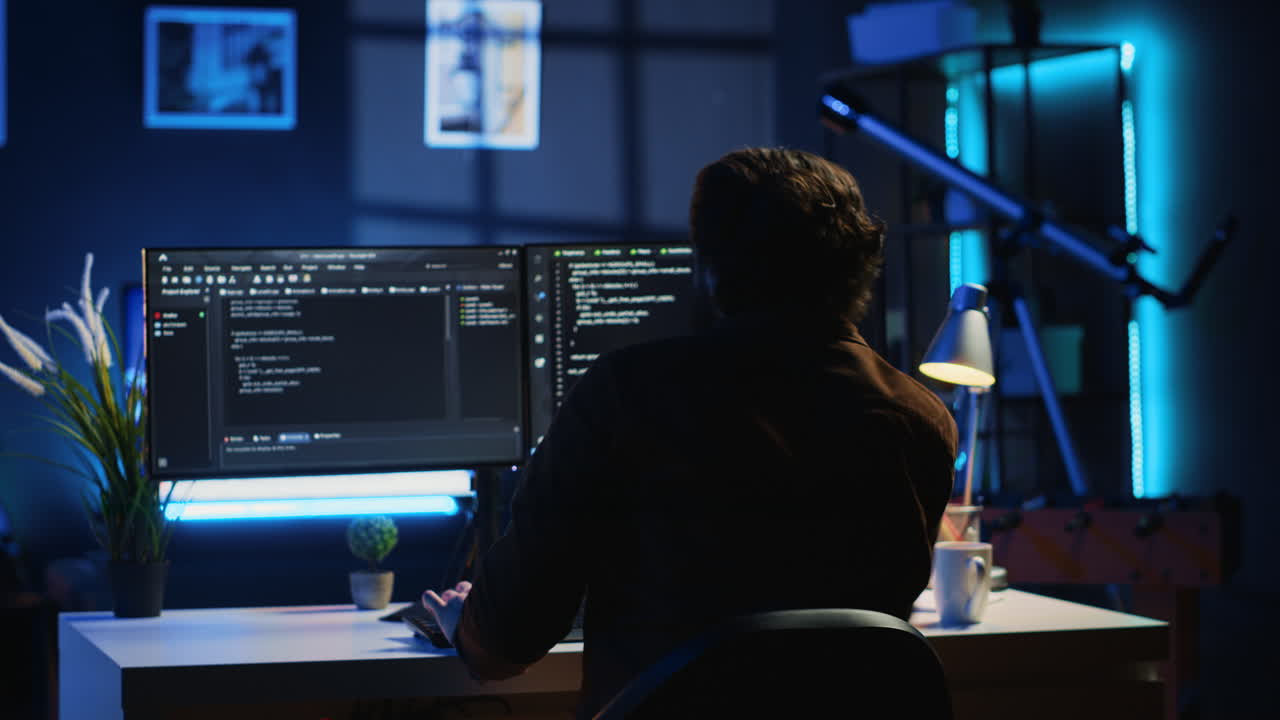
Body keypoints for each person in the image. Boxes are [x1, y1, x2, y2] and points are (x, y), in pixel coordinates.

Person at [423, 147, 958, 718]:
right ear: (861, 266)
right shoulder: (921, 419)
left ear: (709, 267)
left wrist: (467, 624)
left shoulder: (624, 396)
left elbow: (503, 647)